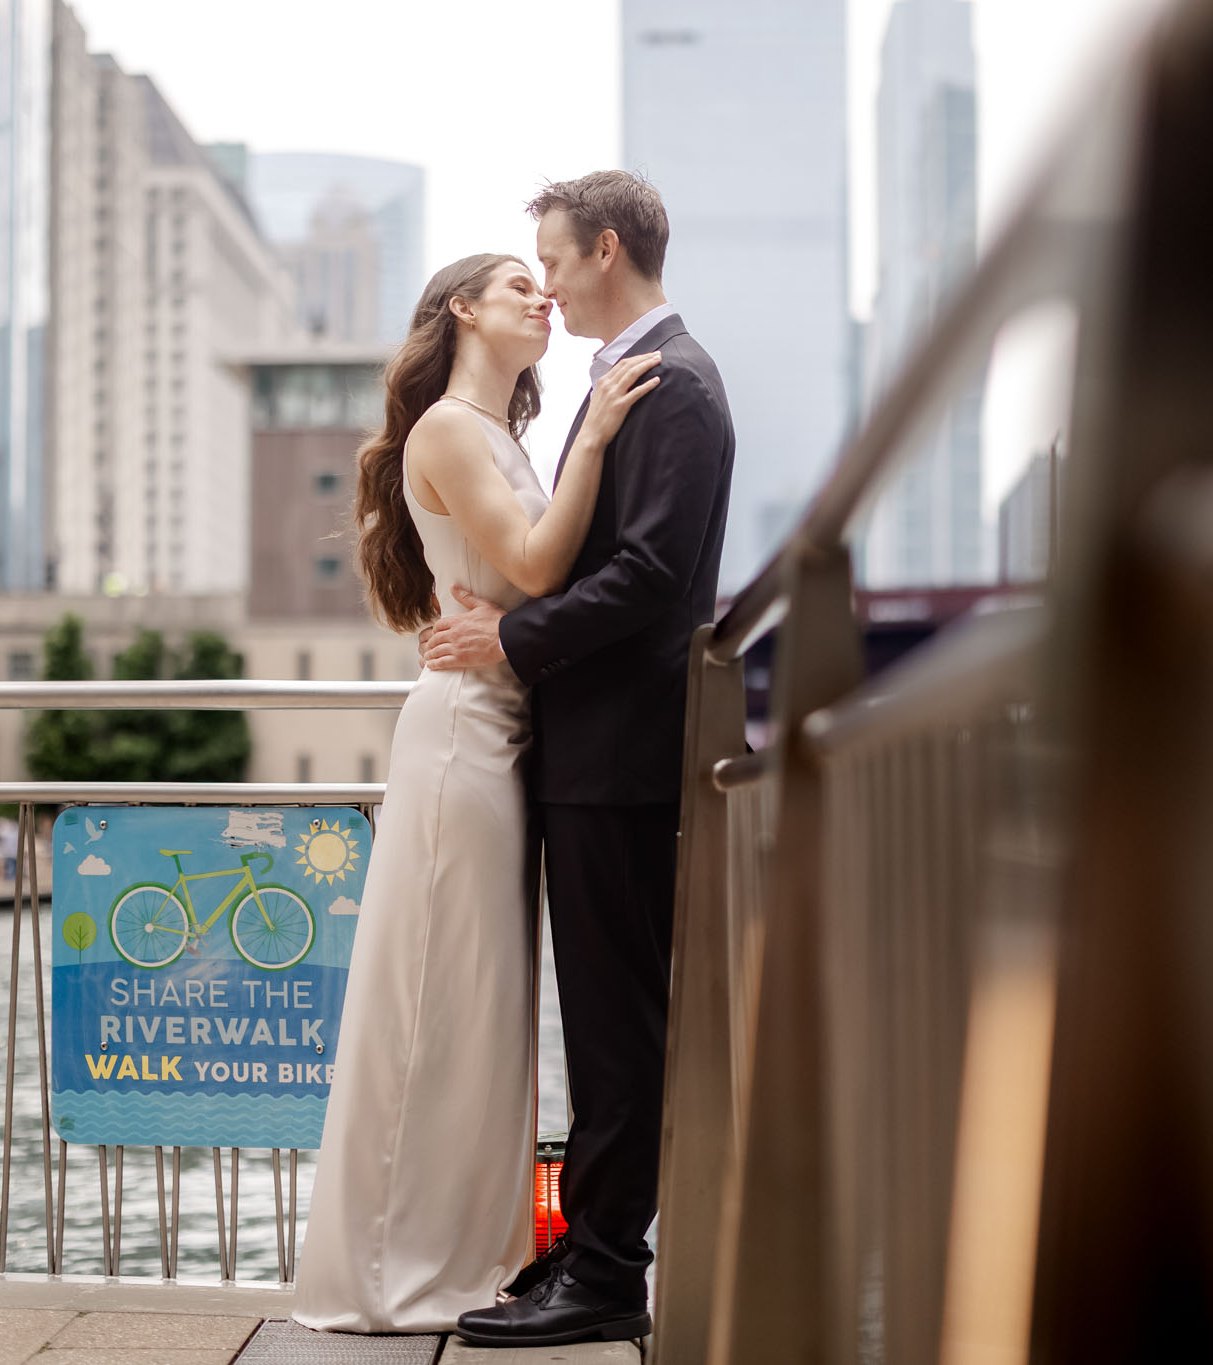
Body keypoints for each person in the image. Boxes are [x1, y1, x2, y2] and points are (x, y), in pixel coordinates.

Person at [291, 251, 662, 1334]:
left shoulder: (495, 435)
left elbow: (533, 580)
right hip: (461, 746)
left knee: (479, 1012)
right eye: (515, 284)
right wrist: (593, 438)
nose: (540, 297)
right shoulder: (452, 427)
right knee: (430, 1006)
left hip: (501, 743)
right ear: (461, 309)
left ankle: (456, 1254)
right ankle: (390, 1269)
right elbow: (539, 571)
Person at [421, 171, 736, 1349]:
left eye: (552, 260)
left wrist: (507, 635)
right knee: (603, 1023)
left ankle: (604, 1272)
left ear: (606, 249)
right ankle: (590, 1255)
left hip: (619, 757)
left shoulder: (678, 387)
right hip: (589, 753)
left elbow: (652, 579)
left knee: (615, 1028)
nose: (545, 284)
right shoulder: (629, 383)